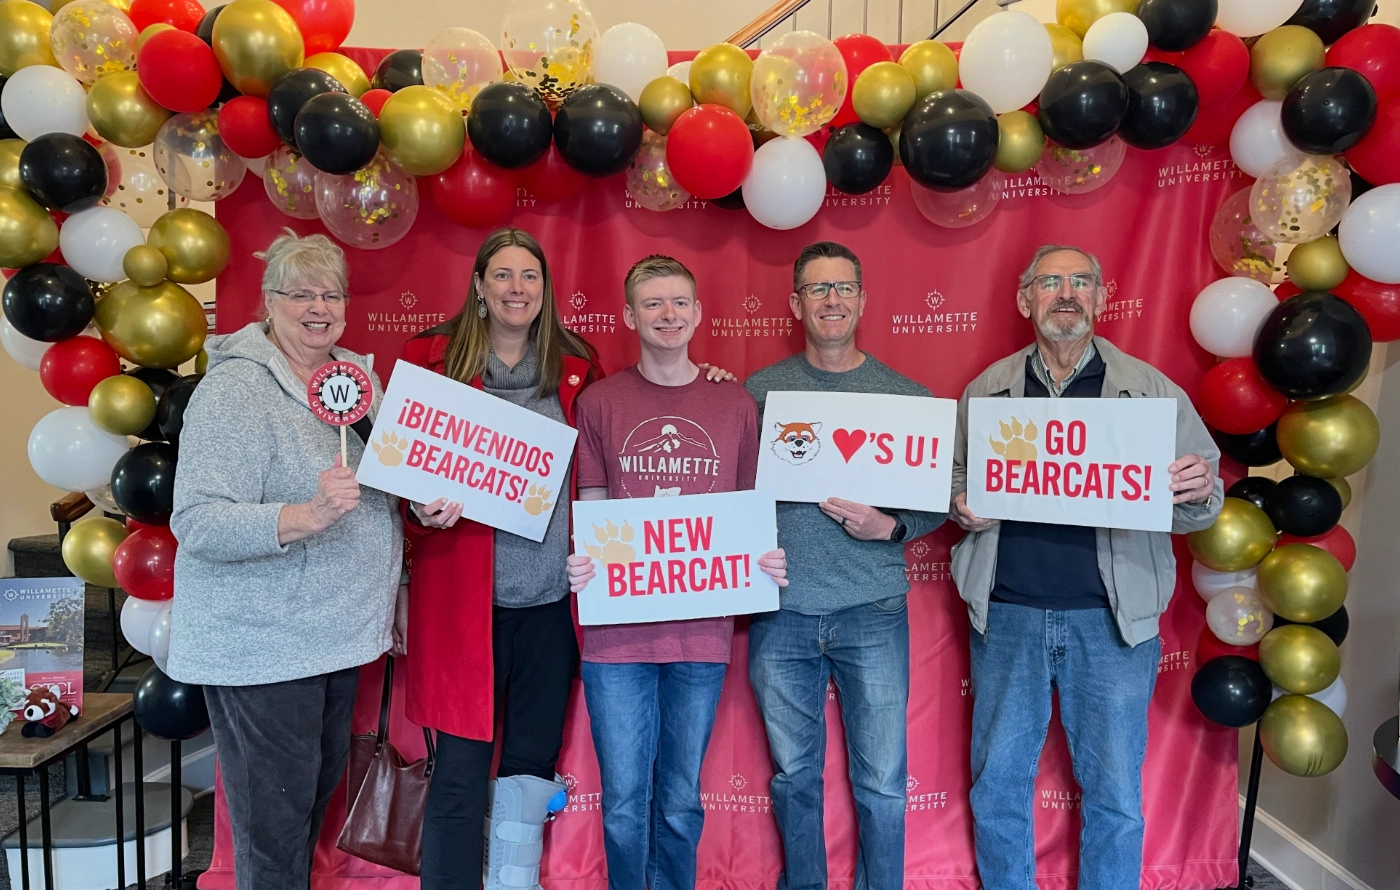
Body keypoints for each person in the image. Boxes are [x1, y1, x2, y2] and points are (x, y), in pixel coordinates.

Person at [402, 231, 733, 889]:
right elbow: (401, 477)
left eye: (530, 276)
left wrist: (710, 386)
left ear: (546, 290)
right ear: (478, 286)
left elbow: (623, 441)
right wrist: (418, 510)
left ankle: (512, 884)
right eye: (502, 275)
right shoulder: (430, 362)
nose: (517, 288)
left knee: (528, 771)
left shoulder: (579, 368)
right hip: (462, 611)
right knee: (462, 777)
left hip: (553, 607)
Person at [948, 245, 1222, 890]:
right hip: (1008, 615)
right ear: (1025, 300)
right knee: (999, 787)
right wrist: (962, 505)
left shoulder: (1152, 391)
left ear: (1101, 299)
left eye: (1080, 282)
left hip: (1112, 626)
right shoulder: (988, 389)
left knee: (1114, 794)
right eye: (1049, 282)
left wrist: (1194, 491)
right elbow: (957, 481)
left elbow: (1203, 506)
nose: (1065, 293)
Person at [168, 230, 406, 890]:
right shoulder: (236, 391)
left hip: (335, 639)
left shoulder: (355, 383)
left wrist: (431, 504)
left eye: (331, 293)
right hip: (264, 645)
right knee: (272, 827)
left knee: (304, 810)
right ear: (267, 303)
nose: (318, 306)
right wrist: (306, 515)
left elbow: (389, 484)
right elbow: (197, 521)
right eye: (299, 292)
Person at [564, 256, 788, 890]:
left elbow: (748, 512)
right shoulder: (599, 403)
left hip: (701, 634)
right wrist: (587, 562)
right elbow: (596, 507)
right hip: (618, 638)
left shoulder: (735, 403)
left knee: (683, 799)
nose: (668, 315)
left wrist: (762, 561)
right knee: (625, 803)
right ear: (630, 315)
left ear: (698, 313)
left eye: (680, 302)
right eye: (654, 304)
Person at [744, 241, 946, 890]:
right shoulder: (758, 393)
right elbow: (726, 487)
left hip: (873, 611)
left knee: (884, 780)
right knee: (793, 777)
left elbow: (940, 500)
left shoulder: (905, 395)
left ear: (861, 298)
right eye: (818, 289)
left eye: (843, 288)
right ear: (795, 303)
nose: (832, 300)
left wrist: (891, 525)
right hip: (782, 615)